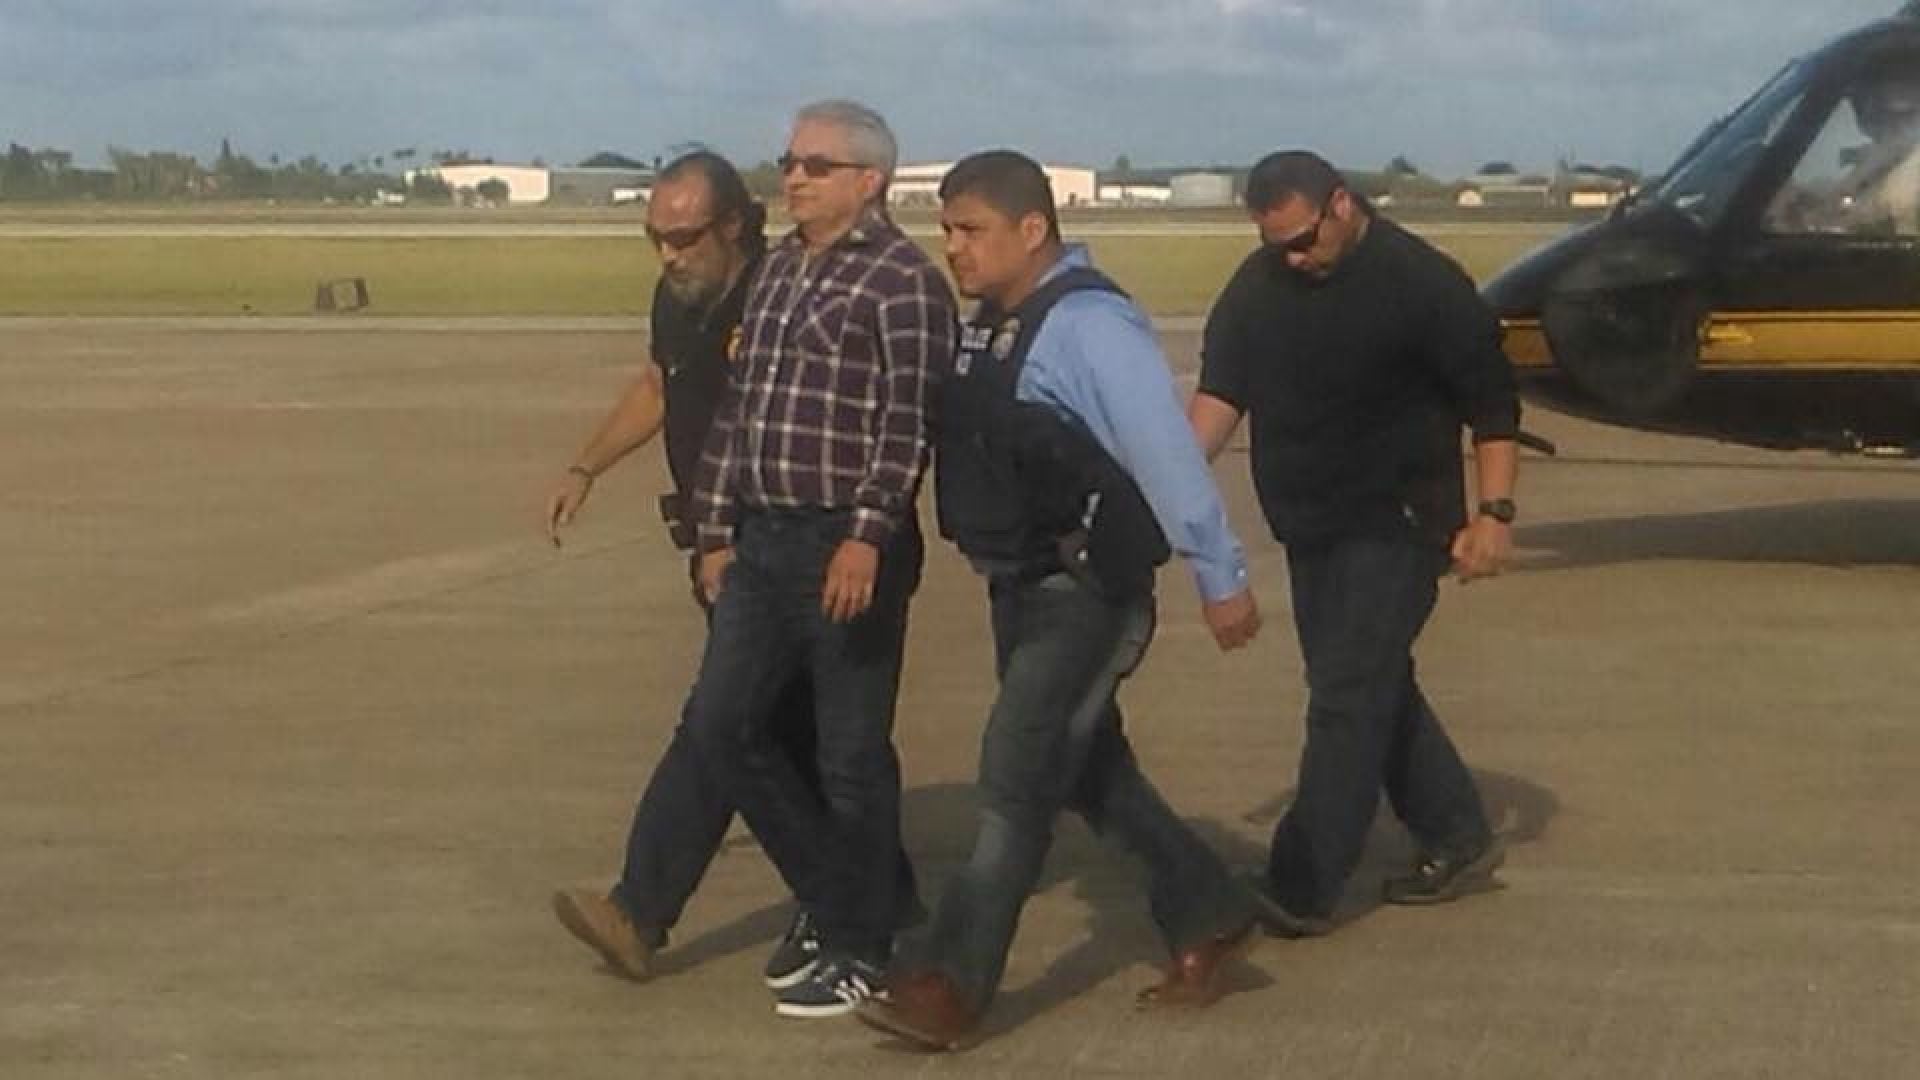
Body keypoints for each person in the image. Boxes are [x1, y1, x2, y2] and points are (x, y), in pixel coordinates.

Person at [855, 151, 1265, 1052]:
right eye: (946, 228)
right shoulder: (991, 328)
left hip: (1087, 594)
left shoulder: (1089, 329)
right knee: (1089, 772)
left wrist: (1221, 578)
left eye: (971, 230)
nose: (952, 247)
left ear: (1033, 229)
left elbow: (1165, 456)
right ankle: (1207, 908)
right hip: (1020, 584)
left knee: (1014, 779)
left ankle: (950, 982)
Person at [1188, 150, 1517, 932]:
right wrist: (1163, 484)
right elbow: (1219, 397)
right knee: (1370, 685)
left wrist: (1494, 514)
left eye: (1303, 240)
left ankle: (1300, 885)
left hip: (1399, 521)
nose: (1292, 258)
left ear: (1340, 205)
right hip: (1309, 522)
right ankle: (1455, 830)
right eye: (1275, 244)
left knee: (1343, 695)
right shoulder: (1258, 285)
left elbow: (1492, 404)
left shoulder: (1422, 282)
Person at [547, 151, 843, 988]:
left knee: (724, 724)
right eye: (655, 238)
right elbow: (658, 384)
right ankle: (868, 894)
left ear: (735, 225)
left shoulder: (783, 296)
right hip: (718, 552)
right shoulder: (677, 298)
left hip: (778, 547)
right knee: (769, 733)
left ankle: (644, 909)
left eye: (682, 238)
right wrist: (585, 466)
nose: (667, 255)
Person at [683, 100, 952, 1018]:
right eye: (790, 161)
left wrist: (866, 536)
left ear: (869, 180)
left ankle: (862, 946)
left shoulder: (904, 283)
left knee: (849, 756)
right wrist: (714, 531)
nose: (793, 177)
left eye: (816, 165)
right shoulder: (778, 271)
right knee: (724, 727)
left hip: (846, 541)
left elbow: (906, 426)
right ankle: (846, 904)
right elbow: (740, 408)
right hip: (762, 541)